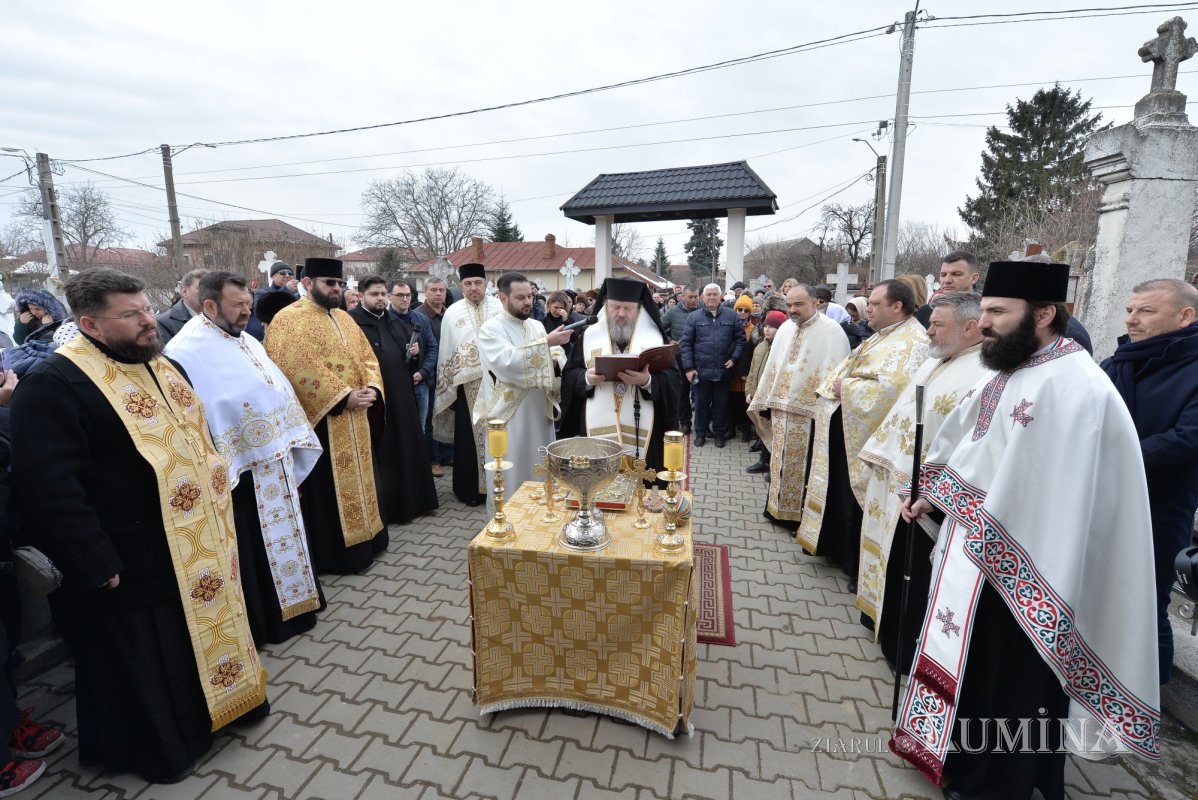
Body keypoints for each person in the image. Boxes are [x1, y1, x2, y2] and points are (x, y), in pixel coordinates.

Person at [893, 260, 1160, 799]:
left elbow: (1060, 493)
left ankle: (999, 785)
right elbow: (971, 445)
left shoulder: (1078, 385)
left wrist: (986, 521)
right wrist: (932, 493)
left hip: (1032, 567)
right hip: (976, 555)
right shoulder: (1011, 366)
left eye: (997, 311)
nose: (984, 323)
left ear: (1043, 313)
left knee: (1014, 680)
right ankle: (959, 761)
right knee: (975, 666)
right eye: (985, 310)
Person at [11, 268, 267, 784]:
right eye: (131, 315)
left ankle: (224, 710)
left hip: (193, 544)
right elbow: (49, 488)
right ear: (90, 324)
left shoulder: (160, 363)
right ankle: (167, 747)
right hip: (127, 559)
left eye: (148, 308)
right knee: (149, 661)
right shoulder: (53, 385)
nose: (150, 321)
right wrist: (94, 561)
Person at [164, 271, 324, 646]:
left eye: (248, 304)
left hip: (276, 460)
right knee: (256, 545)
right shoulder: (186, 351)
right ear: (209, 305)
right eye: (238, 305)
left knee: (291, 534)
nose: (246, 312)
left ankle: (300, 602)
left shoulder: (247, 339)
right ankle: (270, 619)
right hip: (243, 470)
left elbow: (274, 387)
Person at [853, 291, 987, 672]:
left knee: (913, 575)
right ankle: (885, 626)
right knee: (894, 566)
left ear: (969, 326)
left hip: (928, 500)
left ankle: (907, 650)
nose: (927, 331)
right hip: (900, 484)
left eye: (937, 325)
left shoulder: (981, 372)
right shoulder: (940, 359)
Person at [798, 279, 928, 585]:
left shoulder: (913, 342)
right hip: (846, 426)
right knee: (839, 491)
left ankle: (855, 565)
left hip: (868, 434)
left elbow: (892, 388)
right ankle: (835, 547)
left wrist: (848, 387)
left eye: (874, 304)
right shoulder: (882, 335)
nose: (866, 309)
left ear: (897, 307)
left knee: (856, 496)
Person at [1101, 278, 1198, 684]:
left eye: (1145, 311)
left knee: (1147, 600)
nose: (1132, 319)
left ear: (1185, 316)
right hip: (1104, 496)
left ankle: (1145, 702)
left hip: (1160, 503)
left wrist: (1111, 458)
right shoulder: (1122, 359)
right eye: (1129, 310)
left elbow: (1187, 438)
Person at [265, 258, 387, 574]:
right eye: (329, 283)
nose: (336, 289)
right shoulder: (288, 320)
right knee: (330, 491)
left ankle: (369, 538)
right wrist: (344, 397)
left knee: (363, 480)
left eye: (339, 283)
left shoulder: (345, 318)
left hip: (357, 415)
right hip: (323, 420)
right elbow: (294, 366)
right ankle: (340, 556)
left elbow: (367, 358)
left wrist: (372, 387)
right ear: (308, 283)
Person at [748, 286, 850, 529]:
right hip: (782, 409)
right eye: (789, 305)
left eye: (798, 305)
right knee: (780, 462)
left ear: (815, 302)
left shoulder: (832, 331)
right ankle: (777, 509)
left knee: (805, 466)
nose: (792, 310)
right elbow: (775, 365)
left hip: (811, 414)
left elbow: (838, 370)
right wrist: (764, 399)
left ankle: (801, 519)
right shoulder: (785, 327)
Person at [560, 277, 683, 473]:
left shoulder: (656, 339)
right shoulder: (588, 337)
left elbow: (674, 381)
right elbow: (570, 375)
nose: (621, 314)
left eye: (628, 308)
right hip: (596, 425)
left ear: (639, 309)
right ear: (606, 307)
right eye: (615, 307)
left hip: (644, 431)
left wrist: (648, 381)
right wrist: (585, 378)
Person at [475, 273, 572, 514]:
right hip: (509, 417)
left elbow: (557, 356)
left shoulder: (536, 325)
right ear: (502, 298)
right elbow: (507, 364)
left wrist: (556, 358)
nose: (528, 302)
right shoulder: (489, 330)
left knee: (540, 469)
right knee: (512, 473)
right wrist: (545, 347)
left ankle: (542, 519)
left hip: (539, 413)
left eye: (530, 296)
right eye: (520, 297)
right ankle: (506, 523)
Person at [348, 276, 439, 525]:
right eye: (374, 294)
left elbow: (408, 361)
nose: (380, 298)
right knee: (385, 449)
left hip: (402, 396)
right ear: (362, 296)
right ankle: (389, 508)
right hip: (375, 401)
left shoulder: (395, 323)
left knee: (408, 444)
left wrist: (414, 356)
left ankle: (415, 503)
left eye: (382, 294)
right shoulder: (352, 323)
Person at [433, 263, 502, 506]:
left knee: (498, 433)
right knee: (468, 439)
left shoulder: (499, 307)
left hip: (498, 384)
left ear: (486, 284)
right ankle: (470, 490)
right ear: (461, 286)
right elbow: (447, 350)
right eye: (468, 284)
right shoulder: (453, 312)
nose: (473, 288)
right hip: (467, 386)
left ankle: (499, 487)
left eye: (478, 283)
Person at [680, 284, 745, 448]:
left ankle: (718, 434)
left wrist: (734, 358)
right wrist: (688, 368)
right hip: (701, 372)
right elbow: (686, 344)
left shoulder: (732, 316)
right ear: (703, 297)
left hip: (724, 371)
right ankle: (700, 434)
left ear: (720, 296)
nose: (711, 297)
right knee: (701, 405)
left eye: (715, 294)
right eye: (708, 294)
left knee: (721, 406)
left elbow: (740, 339)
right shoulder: (694, 317)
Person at [743, 309, 788, 475]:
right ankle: (763, 461)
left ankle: (773, 465)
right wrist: (749, 390)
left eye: (772, 327)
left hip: (772, 399)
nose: (767, 329)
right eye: (766, 325)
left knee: (775, 433)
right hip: (757, 395)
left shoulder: (784, 349)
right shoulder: (760, 346)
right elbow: (753, 371)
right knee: (763, 430)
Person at [415, 277, 452, 477]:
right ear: (425, 293)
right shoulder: (419, 316)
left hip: (447, 374)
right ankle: (433, 460)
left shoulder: (449, 314)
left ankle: (447, 454)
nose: (438, 293)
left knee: (446, 414)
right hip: (429, 374)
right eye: (433, 290)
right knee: (430, 419)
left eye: (441, 290)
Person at [914, 250, 980, 326]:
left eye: (956, 274)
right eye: (943, 275)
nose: (947, 280)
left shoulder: (985, 314)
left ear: (974, 278)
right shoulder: (925, 313)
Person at [728, 294, 757, 443]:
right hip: (732, 372)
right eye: (739, 309)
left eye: (745, 310)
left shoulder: (754, 330)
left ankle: (746, 431)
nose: (742, 312)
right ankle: (731, 429)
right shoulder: (730, 326)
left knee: (745, 404)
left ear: (750, 312)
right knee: (731, 403)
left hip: (746, 374)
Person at [155, 268, 207, 344]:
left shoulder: (220, 316)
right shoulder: (162, 323)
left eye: (213, 289)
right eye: (202, 288)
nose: (209, 292)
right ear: (184, 292)